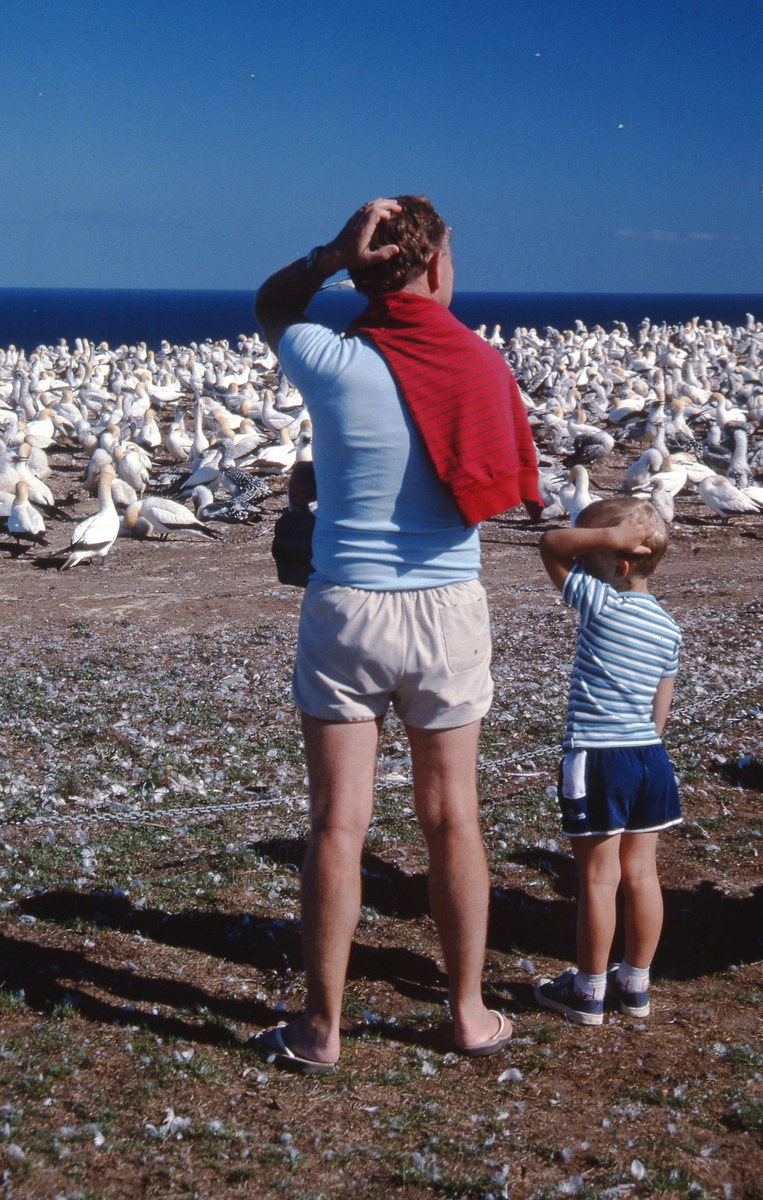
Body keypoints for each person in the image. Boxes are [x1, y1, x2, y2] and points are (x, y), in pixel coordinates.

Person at [251, 196, 542, 1073]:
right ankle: (466, 1012)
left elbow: (271, 303)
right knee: (453, 818)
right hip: (446, 606)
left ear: (364, 269)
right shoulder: (482, 366)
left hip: (347, 608)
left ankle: (322, 1029)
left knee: (338, 825)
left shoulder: (332, 360)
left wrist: (329, 255)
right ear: (439, 269)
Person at [534, 497, 682, 1025]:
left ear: (618, 564)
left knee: (598, 880)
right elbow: (659, 707)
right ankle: (635, 984)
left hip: (599, 758)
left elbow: (550, 543)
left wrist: (605, 536)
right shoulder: (668, 627)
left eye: (589, 555)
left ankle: (589, 992)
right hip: (650, 758)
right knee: (642, 875)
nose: (577, 564)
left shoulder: (602, 603)